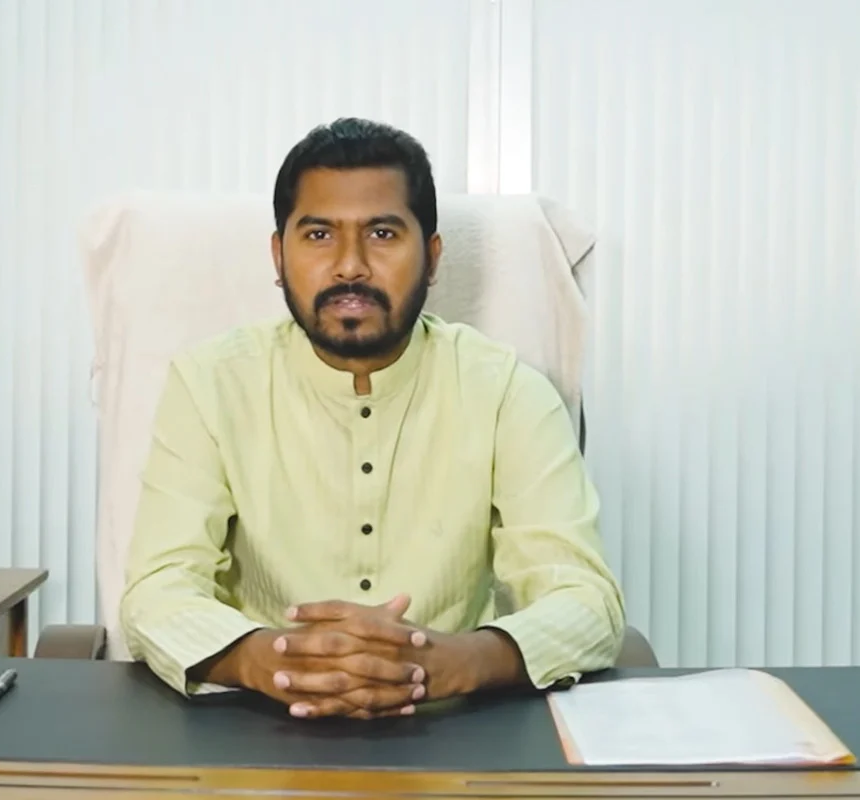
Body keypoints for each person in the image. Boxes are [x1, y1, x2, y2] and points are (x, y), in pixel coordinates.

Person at [120, 117, 625, 720]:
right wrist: (275, 661)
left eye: (382, 233)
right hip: (256, 728)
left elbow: (586, 603)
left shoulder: (507, 391)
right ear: (278, 255)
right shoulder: (210, 384)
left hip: (453, 732)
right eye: (319, 235)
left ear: (432, 257)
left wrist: (452, 662)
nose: (350, 266)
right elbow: (157, 590)